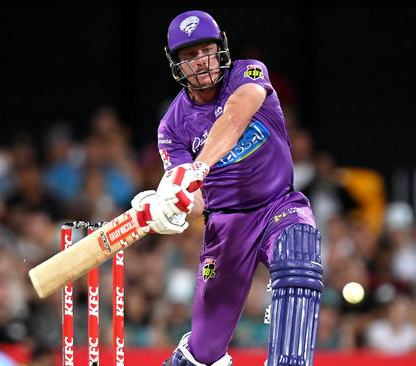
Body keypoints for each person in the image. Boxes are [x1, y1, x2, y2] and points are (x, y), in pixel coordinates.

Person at [128, 10, 323, 366]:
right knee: (204, 350)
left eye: (205, 50)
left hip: (278, 204)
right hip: (226, 226)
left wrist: (198, 167)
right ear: (176, 65)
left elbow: (234, 117)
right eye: (189, 56)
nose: (200, 62)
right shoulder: (171, 128)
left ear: (221, 48)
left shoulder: (248, 73)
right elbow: (196, 201)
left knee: (299, 257)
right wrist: (170, 204)